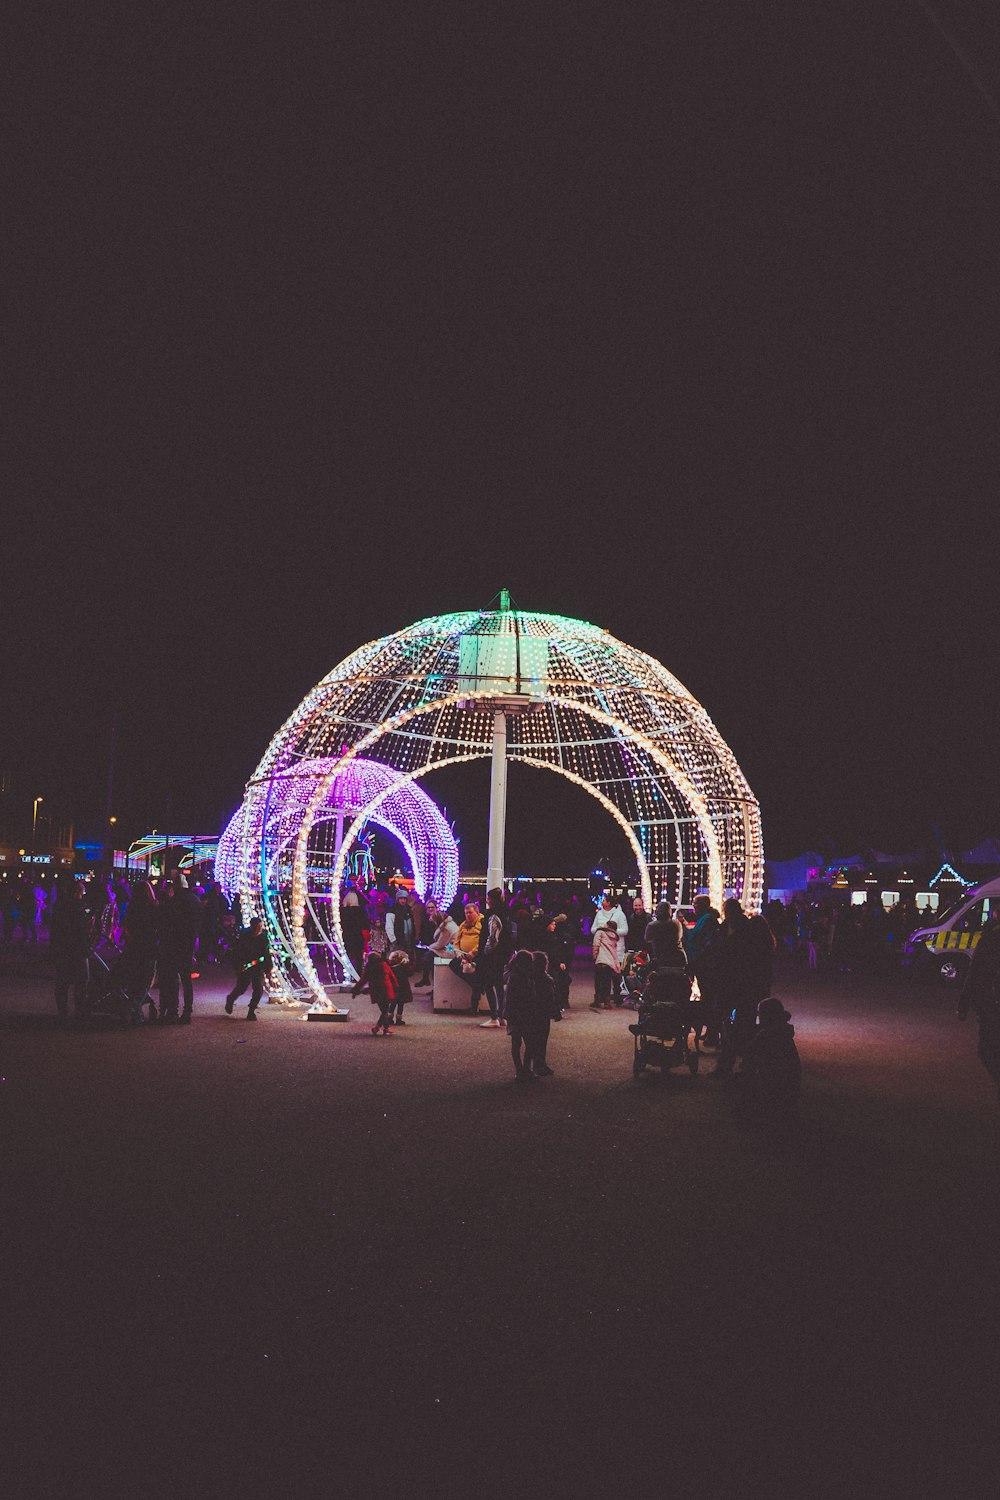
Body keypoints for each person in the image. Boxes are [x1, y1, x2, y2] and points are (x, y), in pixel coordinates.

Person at [713, 901, 775, 1077]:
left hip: (739, 984)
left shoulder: (740, 931)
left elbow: (741, 958)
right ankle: (739, 1063)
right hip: (736, 984)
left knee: (737, 1024)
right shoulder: (732, 929)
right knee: (738, 1024)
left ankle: (734, 1063)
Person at [737, 997, 802, 1124]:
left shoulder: (767, 1036)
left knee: (745, 1075)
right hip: (789, 1086)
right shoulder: (784, 1031)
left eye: (760, 1013)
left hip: (775, 1085)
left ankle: (760, 1111)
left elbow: (748, 1056)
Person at [958, 916, 1000, 1105]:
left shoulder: (989, 939)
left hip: (990, 1003)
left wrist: (964, 1002)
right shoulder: (990, 938)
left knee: (987, 1049)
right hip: (990, 1001)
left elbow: (975, 971)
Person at [157, 878, 198, 1025]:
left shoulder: (174, 902)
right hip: (188, 945)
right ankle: (187, 1011)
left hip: (174, 945)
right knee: (186, 980)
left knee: (173, 979)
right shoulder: (194, 900)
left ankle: (172, 1011)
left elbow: (168, 924)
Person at [49, 880, 91, 1023]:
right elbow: (83, 929)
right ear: (78, 892)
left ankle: (63, 1012)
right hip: (78, 949)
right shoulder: (80, 907)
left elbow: (55, 928)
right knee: (82, 981)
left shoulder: (59, 906)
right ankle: (79, 1011)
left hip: (62, 948)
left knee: (62, 982)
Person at [683, 895, 722, 1046]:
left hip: (705, 965)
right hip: (700, 964)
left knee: (709, 998)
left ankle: (713, 1033)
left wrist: (700, 956)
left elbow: (707, 941)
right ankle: (710, 1031)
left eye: (696, 904)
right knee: (707, 998)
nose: (693, 907)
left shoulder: (707, 919)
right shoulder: (704, 919)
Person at [122, 880, 159, 1024]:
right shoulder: (153, 908)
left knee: (134, 980)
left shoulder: (133, 907)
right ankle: (132, 1007)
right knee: (145, 981)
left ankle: (135, 1012)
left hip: (134, 947)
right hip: (148, 948)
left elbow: (126, 926)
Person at [476, 888, 513, 1028]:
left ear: (491, 899)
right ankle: (502, 1016)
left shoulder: (493, 914)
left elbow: (493, 937)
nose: (486, 900)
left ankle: (494, 1016)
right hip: (503, 954)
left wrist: (485, 952)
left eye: (488, 898)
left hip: (492, 956)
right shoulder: (506, 912)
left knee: (489, 983)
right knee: (499, 984)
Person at [225, 917, 273, 1020]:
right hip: (245, 965)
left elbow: (266, 954)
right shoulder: (244, 937)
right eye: (256, 927)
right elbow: (236, 952)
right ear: (251, 927)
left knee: (258, 989)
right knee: (241, 987)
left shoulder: (263, 938)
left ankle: (251, 1011)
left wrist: (268, 968)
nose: (258, 929)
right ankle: (231, 999)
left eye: (260, 927)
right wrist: (238, 965)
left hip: (258, 967)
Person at [505, 950, 543, 1081]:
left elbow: (509, 999)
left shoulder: (518, 977)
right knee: (529, 1043)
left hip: (518, 1015)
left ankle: (521, 1070)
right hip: (522, 1015)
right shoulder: (520, 978)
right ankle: (524, 1070)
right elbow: (512, 998)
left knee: (518, 1044)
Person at [350, 950, 398, 1035]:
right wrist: (396, 986)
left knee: (383, 1010)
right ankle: (378, 1027)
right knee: (385, 1011)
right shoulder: (384, 965)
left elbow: (363, 980)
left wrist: (356, 990)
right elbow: (392, 976)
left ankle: (385, 1028)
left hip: (376, 991)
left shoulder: (369, 968)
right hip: (386, 989)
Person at [530, 951, 558, 1075]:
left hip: (532, 1012)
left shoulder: (529, 978)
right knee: (542, 1040)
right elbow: (551, 998)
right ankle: (539, 1064)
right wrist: (556, 1012)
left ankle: (535, 1065)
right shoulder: (547, 980)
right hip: (543, 1013)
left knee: (534, 1040)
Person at [543, 913, 574, 1013]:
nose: (554, 926)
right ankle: (558, 1003)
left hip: (556, 962)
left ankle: (558, 1003)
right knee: (557, 982)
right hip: (555, 962)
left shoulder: (554, 936)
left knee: (558, 981)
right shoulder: (552, 937)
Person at [644, 901, 687, 969]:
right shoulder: (677, 924)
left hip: (662, 960)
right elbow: (680, 936)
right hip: (679, 958)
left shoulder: (652, 925)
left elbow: (647, 939)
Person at [590, 920, 621, 1009]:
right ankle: (607, 1002)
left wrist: (595, 956)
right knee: (607, 982)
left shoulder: (600, 932)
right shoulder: (614, 937)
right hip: (610, 962)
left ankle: (598, 1001)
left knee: (598, 981)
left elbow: (596, 944)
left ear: (607, 926)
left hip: (601, 960)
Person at [340, 880, 369, 978]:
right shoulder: (360, 910)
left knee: (348, 954)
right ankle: (358, 973)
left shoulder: (344, 911)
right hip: (357, 934)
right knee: (358, 955)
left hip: (348, 934)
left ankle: (348, 973)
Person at [385, 890, 417, 960]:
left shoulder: (408, 910)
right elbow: (389, 927)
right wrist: (393, 940)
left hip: (409, 942)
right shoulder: (392, 911)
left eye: (405, 898)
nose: (403, 901)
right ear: (397, 899)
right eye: (401, 898)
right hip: (397, 942)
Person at [387, 949, 413, 1026]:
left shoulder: (391, 967)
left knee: (392, 1003)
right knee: (401, 1004)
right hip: (403, 988)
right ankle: (399, 1019)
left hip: (393, 987)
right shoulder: (404, 967)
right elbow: (410, 973)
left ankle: (389, 1018)